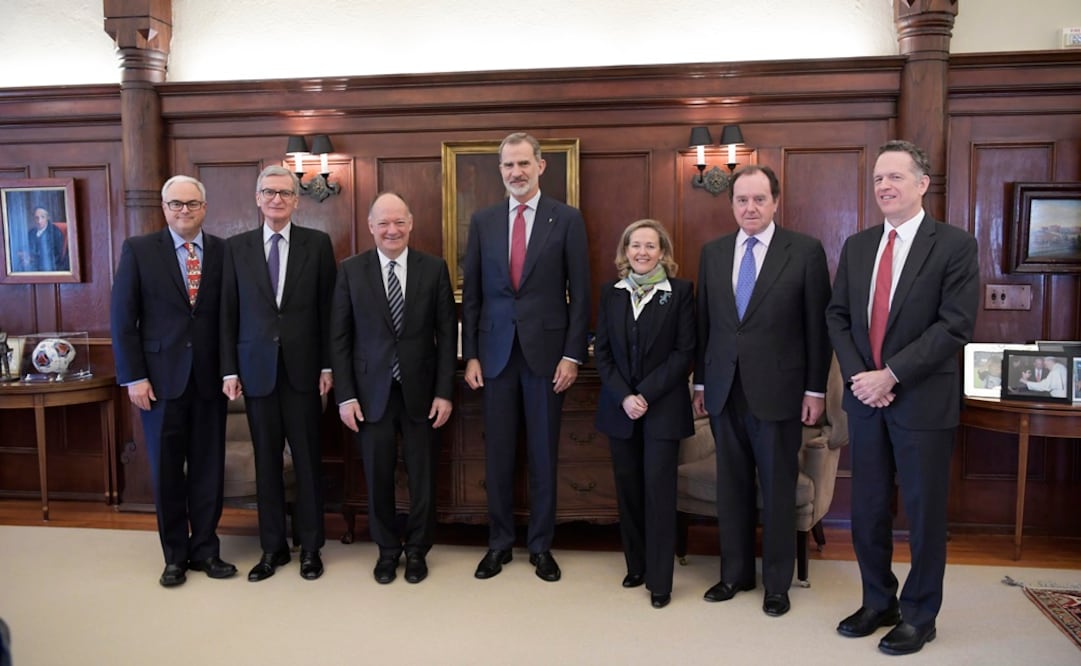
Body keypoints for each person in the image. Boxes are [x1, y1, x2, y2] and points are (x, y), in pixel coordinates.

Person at [827, 140, 979, 656]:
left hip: (922, 401)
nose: (884, 186)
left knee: (923, 513)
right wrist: (861, 377)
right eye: (877, 178)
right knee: (868, 509)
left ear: (922, 184)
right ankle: (878, 602)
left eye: (895, 176)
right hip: (865, 400)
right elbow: (837, 317)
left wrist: (891, 375)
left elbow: (955, 325)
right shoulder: (858, 246)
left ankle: (919, 615)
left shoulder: (955, 245)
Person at [692, 164, 831, 618]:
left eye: (758, 199)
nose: (749, 208)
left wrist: (815, 391)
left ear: (775, 202)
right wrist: (700, 382)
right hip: (723, 390)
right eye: (741, 200)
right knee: (731, 487)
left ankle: (776, 584)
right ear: (731, 204)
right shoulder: (713, 253)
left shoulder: (805, 252)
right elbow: (705, 324)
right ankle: (734, 574)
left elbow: (817, 330)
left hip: (780, 391)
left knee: (776, 489)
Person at [462, 132, 591, 582]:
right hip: (494, 357)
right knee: (498, 455)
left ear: (540, 166)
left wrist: (573, 355)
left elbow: (581, 293)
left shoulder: (567, 219)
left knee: (543, 455)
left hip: (548, 358)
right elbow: (473, 296)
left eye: (523, 163)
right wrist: (471, 355)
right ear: (500, 170)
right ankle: (499, 544)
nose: (515, 172)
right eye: (508, 165)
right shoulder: (483, 221)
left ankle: (540, 546)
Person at [110, 175, 235, 587]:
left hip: (209, 381)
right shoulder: (139, 250)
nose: (185, 210)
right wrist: (134, 377)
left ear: (204, 207)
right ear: (164, 208)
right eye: (176, 204)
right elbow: (123, 319)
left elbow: (229, 317)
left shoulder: (223, 251)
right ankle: (175, 557)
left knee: (208, 470)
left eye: (192, 203)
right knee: (167, 471)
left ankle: (206, 550)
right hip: (159, 383)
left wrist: (229, 370)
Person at [330, 192, 457, 584]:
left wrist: (444, 392)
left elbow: (446, 335)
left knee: (423, 477)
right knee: (378, 475)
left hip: (422, 393)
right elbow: (340, 338)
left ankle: (417, 550)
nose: (392, 230)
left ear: (411, 224)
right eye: (383, 222)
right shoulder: (351, 270)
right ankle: (386, 550)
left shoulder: (433, 269)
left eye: (399, 222)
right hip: (370, 394)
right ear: (371, 226)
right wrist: (346, 396)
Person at [220, 165, 337, 582]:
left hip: (304, 373)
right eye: (269, 192)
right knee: (266, 463)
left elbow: (329, 310)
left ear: (296, 200)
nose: (276, 199)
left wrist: (328, 365)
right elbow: (227, 313)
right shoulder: (236, 248)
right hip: (256, 373)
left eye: (285, 193)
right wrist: (229, 369)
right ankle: (272, 549)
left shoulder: (317, 244)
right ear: (257, 198)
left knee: (307, 462)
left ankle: (311, 548)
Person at [594, 219, 694, 609]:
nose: (642, 252)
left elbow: (684, 353)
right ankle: (636, 566)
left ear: (663, 252)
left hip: (662, 410)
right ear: (625, 251)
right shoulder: (611, 293)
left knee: (658, 493)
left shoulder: (680, 292)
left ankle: (660, 581)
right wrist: (624, 397)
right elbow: (602, 354)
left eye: (650, 246)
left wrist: (644, 394)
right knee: (630, 492)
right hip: (620, 410)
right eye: (635, 245)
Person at [22, 207, 68, 271]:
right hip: (30, 266)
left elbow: (56, 257)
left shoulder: (55, 232)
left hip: (48, 268)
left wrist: (32, 260)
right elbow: (25, 249)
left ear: (47, 218)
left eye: (42, 217)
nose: (39, 221)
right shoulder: (31, 233)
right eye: (37, 218)